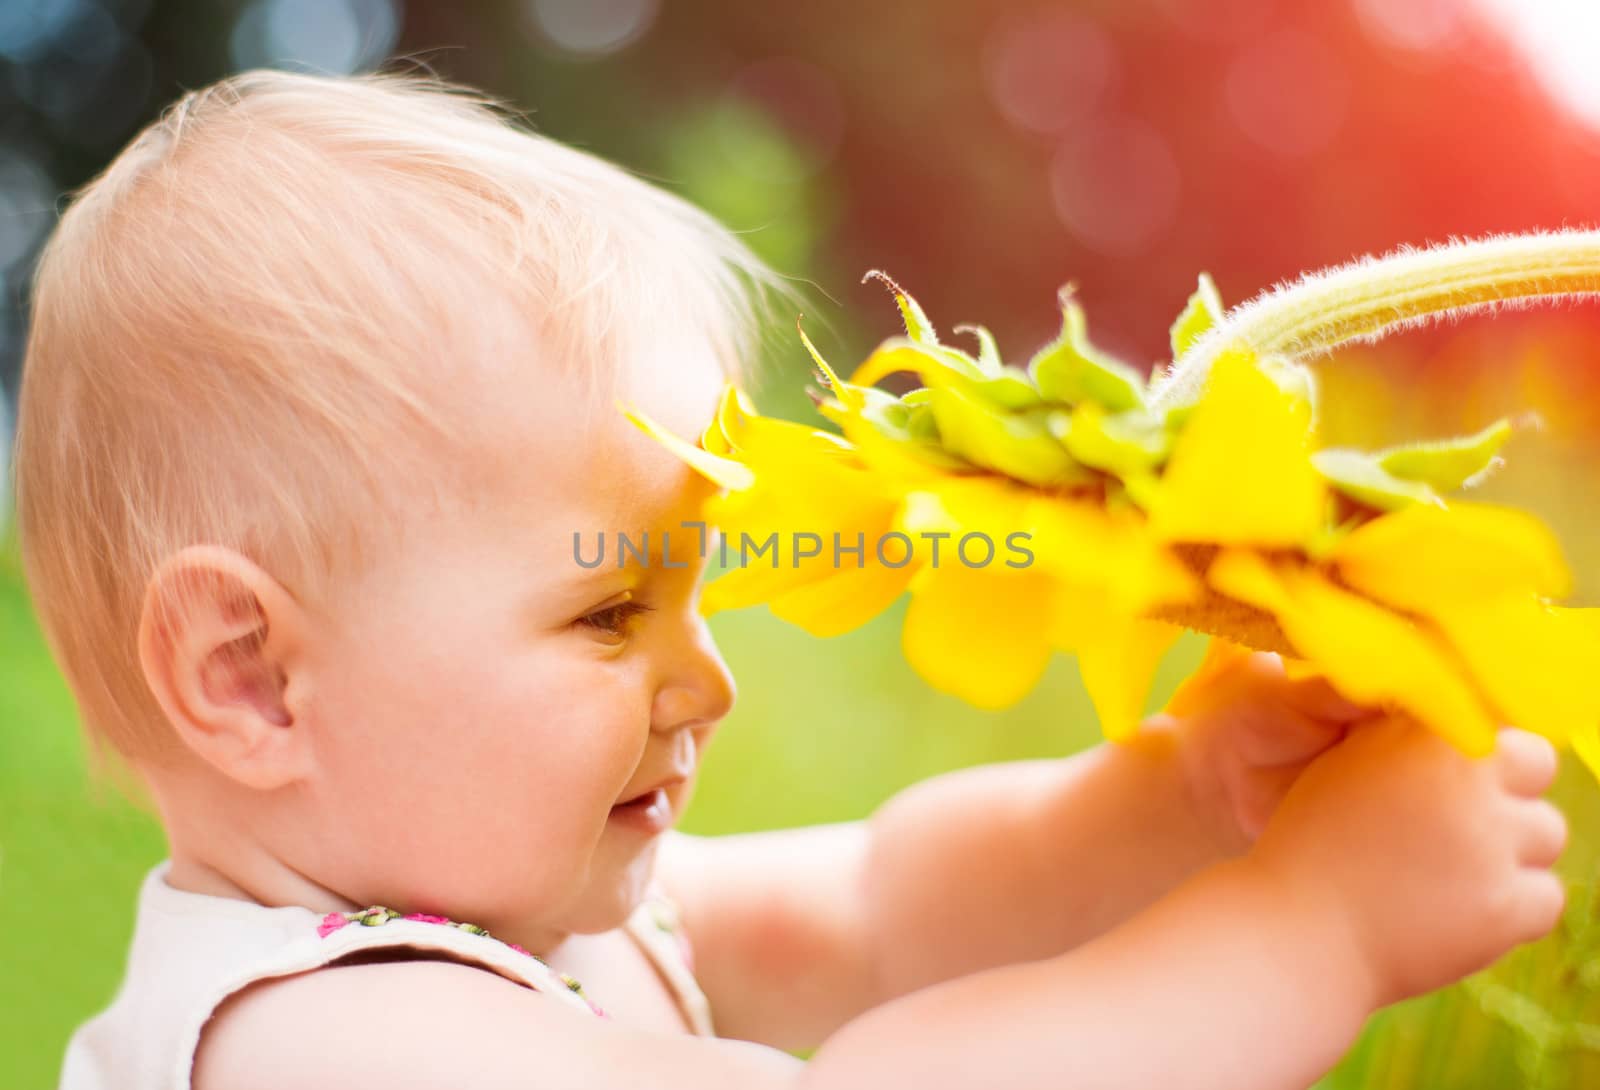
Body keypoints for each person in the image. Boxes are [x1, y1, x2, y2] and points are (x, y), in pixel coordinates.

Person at [14, 69, 1567, 1090]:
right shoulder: (326, 1042)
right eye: (608, 606)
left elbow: (888, 899)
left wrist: (1183, 792)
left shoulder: (536, 921)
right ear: (248, 675)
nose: (707, 677)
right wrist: (1319, 928)